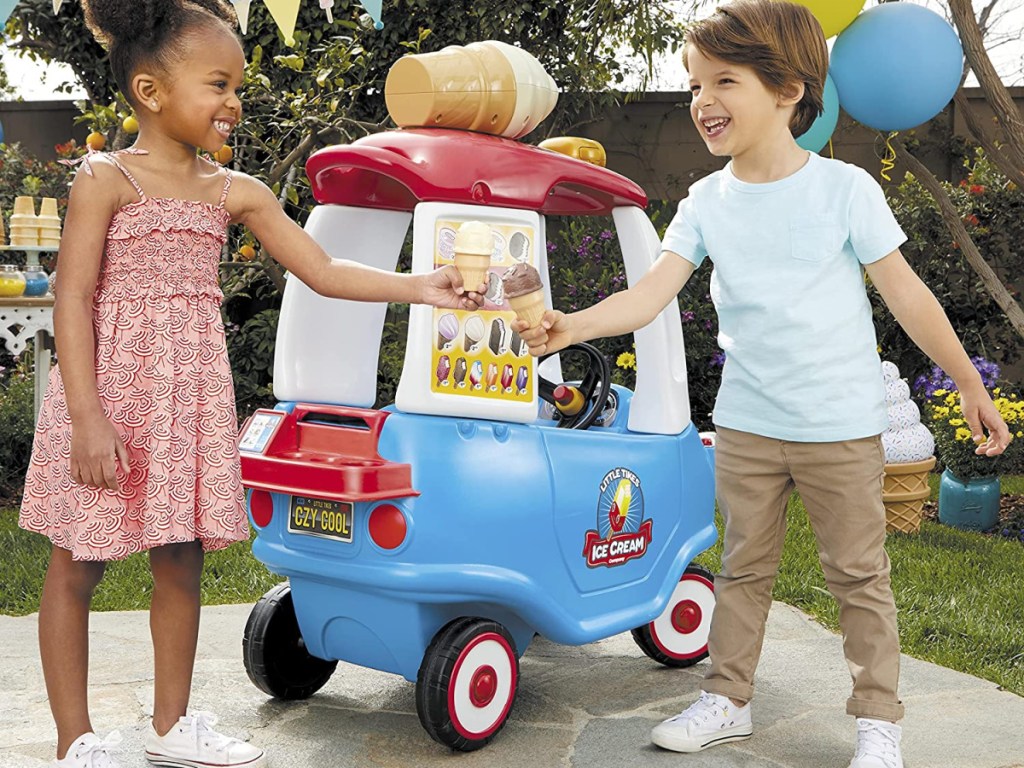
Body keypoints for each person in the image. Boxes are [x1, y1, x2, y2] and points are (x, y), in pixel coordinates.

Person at [514, 2, 1012, 766]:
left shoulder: (845, 190)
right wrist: (572, 324)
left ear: (787, 90)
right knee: (744, 569)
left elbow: (908, 295)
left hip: (838, 427)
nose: (701, 100)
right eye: (692, 83)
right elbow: (650, 295)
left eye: (724, 80)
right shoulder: (706, 203)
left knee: (858, 577)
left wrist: (966, 384)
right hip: (747, 425)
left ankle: (879, 722)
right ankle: (728, 698)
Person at [17, 2, 486, 767]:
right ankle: (76, 743)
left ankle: (172, 728)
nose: (234, 102)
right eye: (218, 84)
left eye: (238, 85)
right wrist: (86, 416)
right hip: (106, 404)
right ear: (150, 89)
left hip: (187, 407)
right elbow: (71, 296)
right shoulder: (105, 179)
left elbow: (324, 270)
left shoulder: (236, 191)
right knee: (77, 565)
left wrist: (423, 286)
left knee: (181, 562)